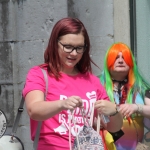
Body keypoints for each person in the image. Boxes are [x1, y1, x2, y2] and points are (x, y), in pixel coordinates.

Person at [22, 18, 123, 150]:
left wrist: (114, 112)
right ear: (55, 43)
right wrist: (62, 104)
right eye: (68, 47)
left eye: (79, 48)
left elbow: (113, 127)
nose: (74, 53)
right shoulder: (40, 74)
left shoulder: (93, 81)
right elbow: (33, 110)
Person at [99, 42, 150, 150]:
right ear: (108, 61)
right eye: (116, 57)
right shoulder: (97, 85)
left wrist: (136, 107)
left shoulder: (141, 87)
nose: (121, 61)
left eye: (124, 58)